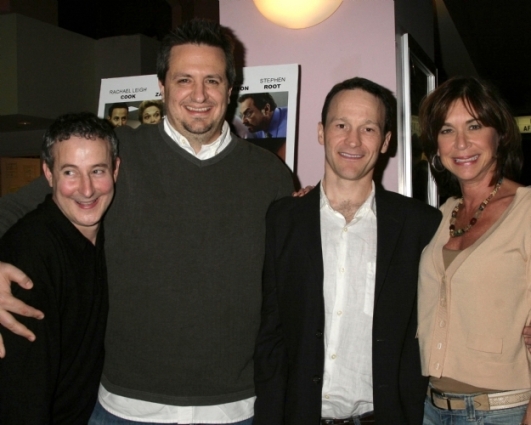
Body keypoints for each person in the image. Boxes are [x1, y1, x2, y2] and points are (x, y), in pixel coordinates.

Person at [0, 19, 293, 424]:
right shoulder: (116, 158)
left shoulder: (271, 176)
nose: (199, 95)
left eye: (212, 80)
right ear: (162, 86)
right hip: (124, 408)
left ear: (231, 87)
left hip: (237, 409)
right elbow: (13, 211)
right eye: (183, 79)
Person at [253, 77, 441, 425]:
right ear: (321, 132)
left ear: (385, 142)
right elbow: (270, 337)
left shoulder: (421, 226)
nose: (352, 140)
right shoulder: (282, 220)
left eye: (368, 128)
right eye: (341, 125)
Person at [417, 76, 530, 425]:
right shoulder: (437, 217)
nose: (461, 143)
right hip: (432, 408)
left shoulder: (526, 209)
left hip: (502, 411)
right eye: (447, 130)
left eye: (474, 125)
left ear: (500, 134)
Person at [0, 112, 120, 423]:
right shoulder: (27, 257)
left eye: (97, 170)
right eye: (70, 172)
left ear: (116, 171)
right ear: (49, 175)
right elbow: (21, 397)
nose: (87, 189)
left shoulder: (112, 234)